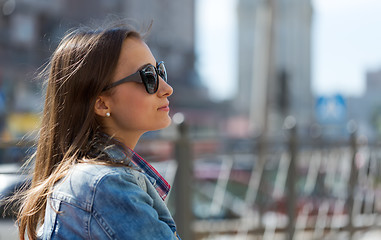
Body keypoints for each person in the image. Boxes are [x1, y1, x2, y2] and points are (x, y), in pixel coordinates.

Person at [17, 22, 181, 240]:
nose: (166, 88)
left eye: (161, 71)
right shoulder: (104, 184)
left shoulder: (96, 179)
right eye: (148, 77)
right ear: (102, 103)